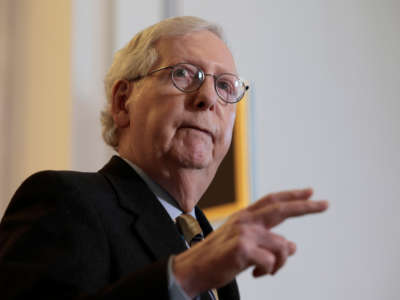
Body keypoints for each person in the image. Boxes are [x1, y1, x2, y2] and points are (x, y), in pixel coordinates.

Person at [0, 16, 328, 300]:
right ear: (122, 102)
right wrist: (185, 276)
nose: (208, 99)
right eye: (185, 74)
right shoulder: (63, 200)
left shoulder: (206, 241)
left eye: (225, 86)